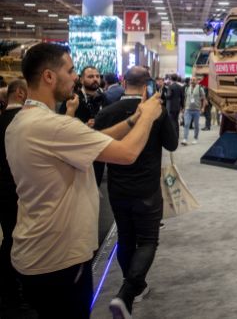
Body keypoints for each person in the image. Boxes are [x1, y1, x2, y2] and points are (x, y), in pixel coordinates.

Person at [5, 43, 163, 318]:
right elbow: (127, 154)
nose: (76, 76)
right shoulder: (53, 127)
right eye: (71, 69)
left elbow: (94, 140)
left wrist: (132, 120)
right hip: (59, 257)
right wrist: (147, 117)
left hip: (35, 252)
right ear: (49, 77)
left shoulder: (23, 122)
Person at [94, 66, 178, 318]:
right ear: (147, 85)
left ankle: (136, 287)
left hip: (118, 189)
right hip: (147, 189)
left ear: (122, 81)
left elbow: (97, 151)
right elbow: (172, 143)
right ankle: (127, 292)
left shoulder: (107, 113)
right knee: (148, 240)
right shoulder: (156, 112)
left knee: (126, 239)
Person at [0, 79, 28, 314]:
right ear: (20, 93)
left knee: (8, 237)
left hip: (4, 191)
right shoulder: (25, 123)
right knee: (18, 240)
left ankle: (9, 289)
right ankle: (15, 290)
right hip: (20, 191)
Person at [181, 76, 206, 145]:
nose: (192, 81)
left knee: (196, 125)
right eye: (191, 80)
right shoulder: (187, 88)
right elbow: (185, 98)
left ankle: (195, 138)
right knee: (186, 124)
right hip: (188, 109)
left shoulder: (200, 88)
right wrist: (183, 107)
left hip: (196, 110)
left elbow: (204, 99)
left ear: (197, 81)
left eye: (194, 80)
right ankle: (185, 139)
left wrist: (203, 108)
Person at [165, 74, 184, 139]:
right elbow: (182, 97)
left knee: (172, 121)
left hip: (171, 106)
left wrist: (165, 96)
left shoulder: (170, 86)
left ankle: (173, 136)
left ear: (170, 78)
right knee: (176, 120)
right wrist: (182, 106)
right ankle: (177, 135)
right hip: (177, 106)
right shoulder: (180, 87)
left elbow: (169, 96)